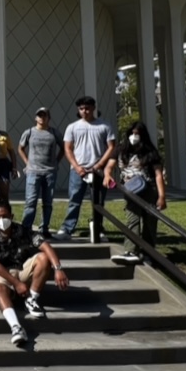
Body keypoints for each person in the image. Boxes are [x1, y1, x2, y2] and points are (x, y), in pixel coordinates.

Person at [0, 201, 70, 346]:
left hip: (20, 268)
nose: (1, 220)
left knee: (43, 258)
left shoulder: (22, 230)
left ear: (12, 216)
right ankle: (16, 327)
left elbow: (45, 245)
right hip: (0, 272)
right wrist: (16, 283)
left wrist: (58, 268)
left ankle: (32, 299)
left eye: (5, 216)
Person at [56, 96, 117, 242]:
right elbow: (68, 148)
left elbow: (112, 147)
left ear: (93, 108)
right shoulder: (72, 127)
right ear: (78, 110)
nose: (85, 111)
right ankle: (67, 229)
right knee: (74, 200)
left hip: (98, 171)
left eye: (88, 108)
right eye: (82, 108)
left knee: (98, 201)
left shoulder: (104, 126)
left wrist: (99, 164)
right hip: (78, 170)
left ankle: (98, 229)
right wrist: (77, 167)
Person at [105, 120, 167, 264]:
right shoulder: (120, 149)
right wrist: (107, 175)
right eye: (132, 133)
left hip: (149, 189)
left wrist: (162, 197)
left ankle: (148, 253)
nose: (134, 136)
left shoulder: (150, 152)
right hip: (131, 190)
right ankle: (131, 251)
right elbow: (109, 166)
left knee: (150, 221)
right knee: (132, 219)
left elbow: (158, 175)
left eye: (137, 134)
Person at [17, 107, 63, 238]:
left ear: (49, 118)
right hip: (33, 172)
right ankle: (26, 229)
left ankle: (44, 229)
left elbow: (64, 148)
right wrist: (27, 162)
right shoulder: (29, 132)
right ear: (35, 118)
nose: (42, 118)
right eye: (39, 115)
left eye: (45, 115)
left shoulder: (54, 133)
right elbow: (20, 148)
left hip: (50, 172)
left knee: (47, 203)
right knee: (31, 202)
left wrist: (56, 162)